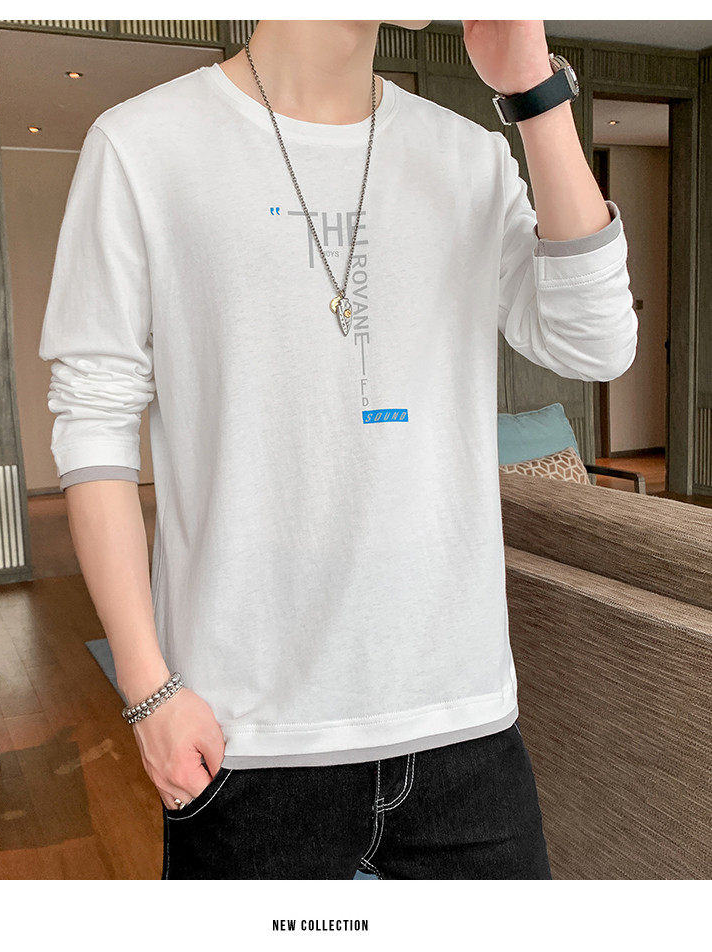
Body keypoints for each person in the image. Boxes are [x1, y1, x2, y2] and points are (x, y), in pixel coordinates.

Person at [38, 19, 637, 879]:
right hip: (247, 737)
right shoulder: (142, 147)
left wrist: (535, 96)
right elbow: (94, 420)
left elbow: (596, 342)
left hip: (464, 723)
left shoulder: (469, 155)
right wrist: (148, 693)